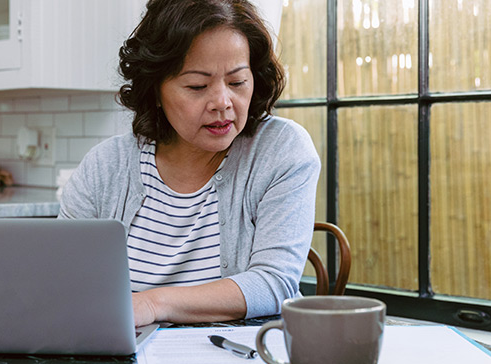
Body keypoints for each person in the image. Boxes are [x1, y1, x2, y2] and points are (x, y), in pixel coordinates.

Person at [58, 0, 320, 327]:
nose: (223, 102)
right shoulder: (105, 167)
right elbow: (63, 283)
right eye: (197, 86)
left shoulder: (280, 150)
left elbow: (274, 284)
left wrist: (153, 304)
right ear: (155, 90)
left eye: (238, 82)